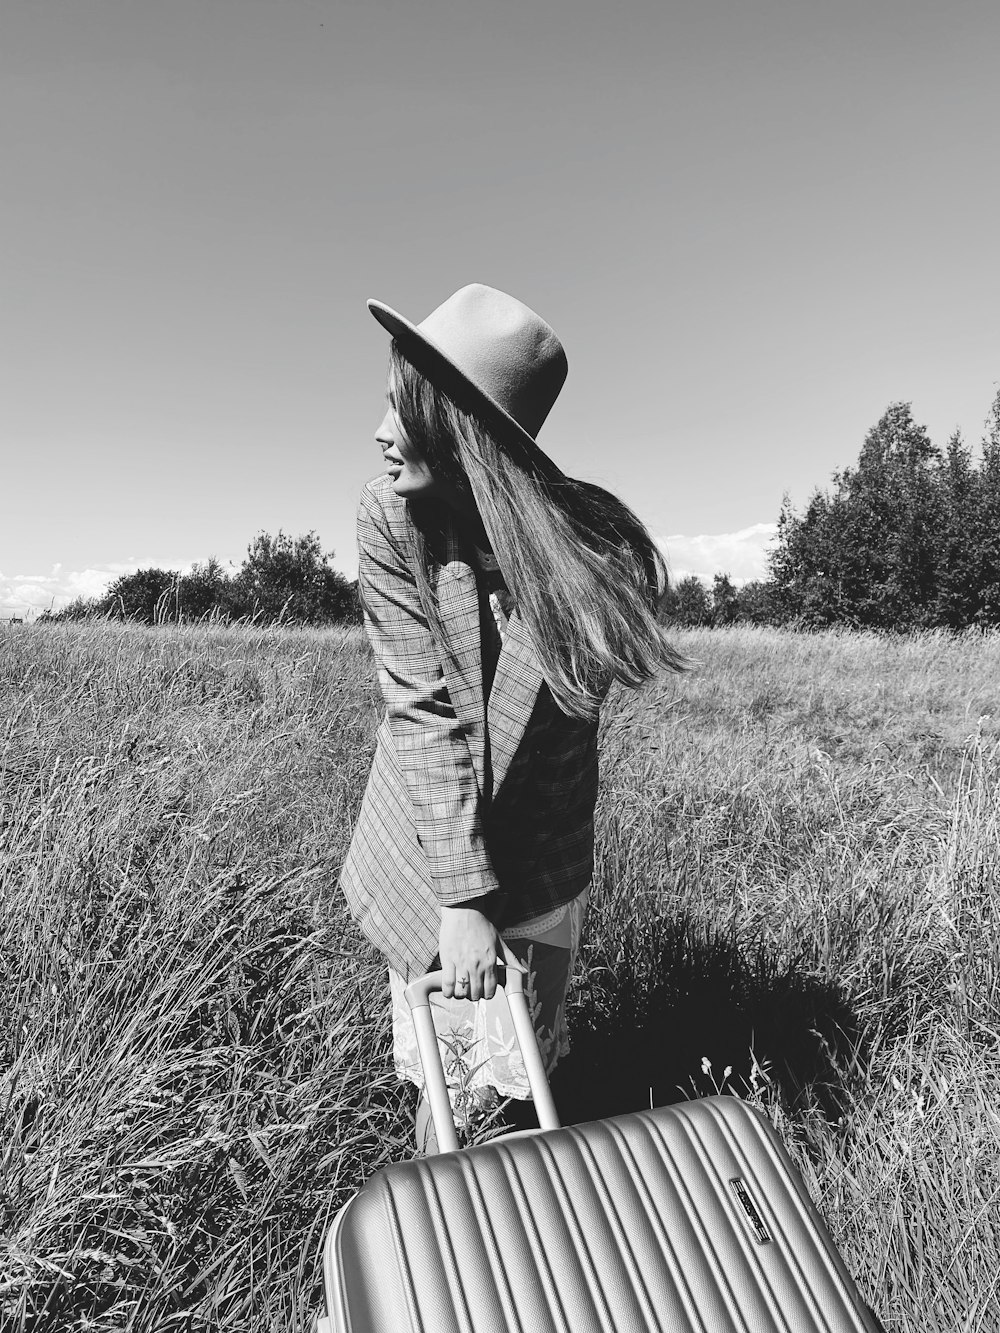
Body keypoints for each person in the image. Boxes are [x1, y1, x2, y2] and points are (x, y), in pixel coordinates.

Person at [339, 283, 683, 1153]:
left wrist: (503, 909)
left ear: (458, 426)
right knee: (460, 1088)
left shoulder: (587, 545)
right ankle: (448, 1250)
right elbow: (422, 711)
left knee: (521, 1066)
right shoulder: (391, 520)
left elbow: (554, 736)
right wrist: (463, 900)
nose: (380, 431)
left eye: (399, 408)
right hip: (433, 847)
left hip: (542, 848)